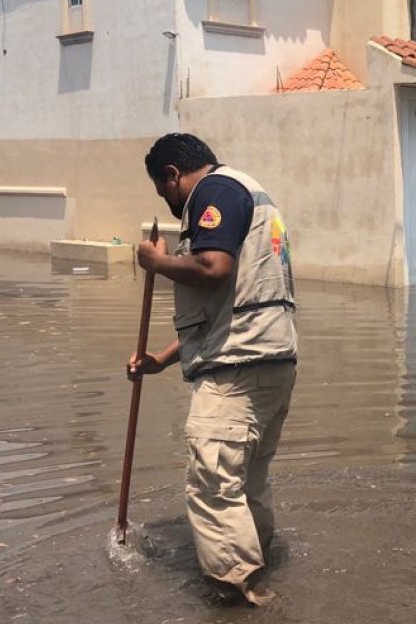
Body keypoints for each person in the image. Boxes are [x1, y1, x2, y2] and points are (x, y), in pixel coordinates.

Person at [128, 133, 297, 606]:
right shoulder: (249, 193)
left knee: (212, 482)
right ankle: (258, 565)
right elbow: (231, 308)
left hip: (238, 370)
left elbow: (213, 267)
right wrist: (161, 358)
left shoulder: (215, 193)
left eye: (164, 192)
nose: (169, 202)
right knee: (248, 480)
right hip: (271, 361)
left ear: (172, 175)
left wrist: (158, 262)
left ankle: (237, 592)